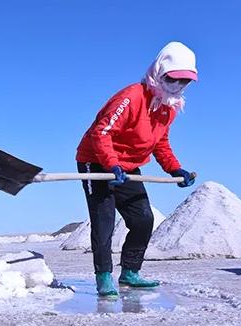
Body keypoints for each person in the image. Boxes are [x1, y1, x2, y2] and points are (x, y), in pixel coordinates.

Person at [75, 42, 197, 297]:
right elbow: (101, 132)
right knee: (104, 221)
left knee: (143, 219)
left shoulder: (169, 107)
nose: (177, 87)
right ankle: (103, 276)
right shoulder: (131, 97)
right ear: (159, 72)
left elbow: (160, 142)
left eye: (184, 82)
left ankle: (130, 272)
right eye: (173, 79)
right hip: (96, 161)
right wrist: (111, 164)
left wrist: (175, 169)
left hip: (127, 167)